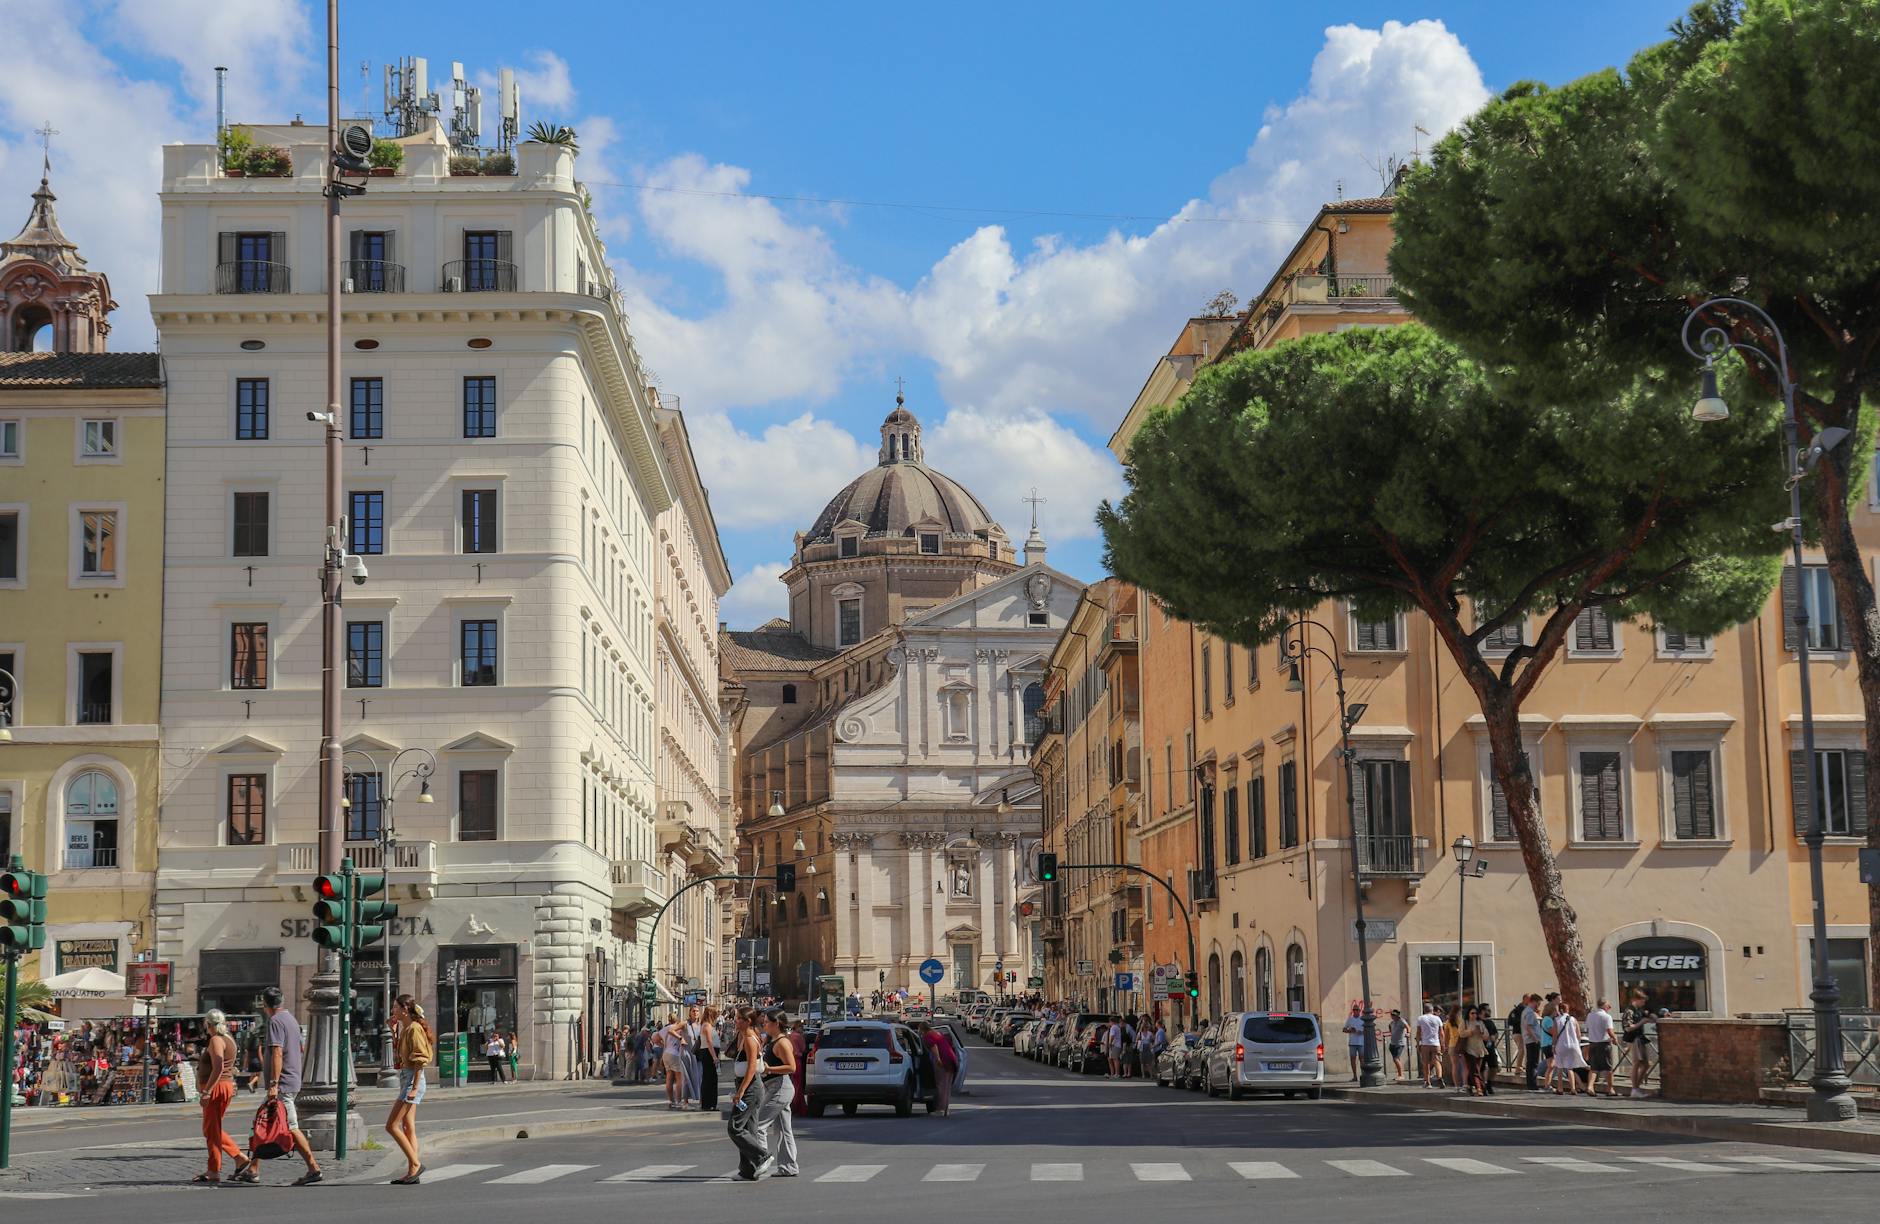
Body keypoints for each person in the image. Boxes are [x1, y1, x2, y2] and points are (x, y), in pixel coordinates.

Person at [229, 986, 321, 1186]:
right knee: (261, 1121)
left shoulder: (275, 1022)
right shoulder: (292, 1019)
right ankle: (253, 1169)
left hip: (283, 1084)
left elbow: (277, 1052)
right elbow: (301, 1048)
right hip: (291, 1079)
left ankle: (313, 1168)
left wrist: (273, 1083)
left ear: (265, 1004)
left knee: (290, 1126)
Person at [386, 994, 434, 1185]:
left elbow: (419, 1060)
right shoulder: (407, 1028)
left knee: (391, 1126)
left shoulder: (414, 1029)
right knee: (408, 1125)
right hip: (408, 1078)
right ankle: (412, 1170)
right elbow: (402, 1055)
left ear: (405, 1010)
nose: (393, 1011)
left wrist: (413, 1088)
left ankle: (416, 1163)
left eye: (395, 1007)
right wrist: (393, 1031)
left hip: (413, 1080)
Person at [192, 1010, 244, 1183]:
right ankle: (238, 1158)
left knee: (211, 1130)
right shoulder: (229, 1039)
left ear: (209, 1024)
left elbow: (219, 1066)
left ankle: (216, 1169)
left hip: (216, 1087)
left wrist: (207, 1091)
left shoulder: (216, 1040)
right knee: (213, 1128)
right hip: (225, 1085)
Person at [753, 1010, 799, 1178]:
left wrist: (769, 1068)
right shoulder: (771, 1040)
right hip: (774, 1086)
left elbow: (791, 1067)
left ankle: (761, 1160)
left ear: (776, 1023)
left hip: (780, 1086)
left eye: (766, 1022)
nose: (763, 1024)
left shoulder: (782, 1043)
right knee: (783, 1129)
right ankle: (789, 1167)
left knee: (758, 1125)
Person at [728, 1010, 769, 1180]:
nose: (735, 1021)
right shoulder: (745, 1035)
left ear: (747, 1021)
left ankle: (762, 1156)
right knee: (748, 1129)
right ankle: (748, 1170)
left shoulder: (751, 1039)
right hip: (748, 1085)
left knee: (735, 1127)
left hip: (751, 1087)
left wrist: (741, 1091)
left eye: (738, 1019)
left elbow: (752, 1067)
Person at [919, 1021, 958, 1117]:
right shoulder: (937, 1033)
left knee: (941, 1085)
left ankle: (940, 1109)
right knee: (947, 1086)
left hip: (943, 1061)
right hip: (951, 1060)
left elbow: (934, 1046)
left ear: (922, 1029)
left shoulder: (927, 1036)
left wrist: (938, 1059)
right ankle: (945, 1110)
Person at [1622, 990, 1653, 1099]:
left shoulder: (1638, 1011)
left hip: (1639, 1038)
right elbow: (1628, 1028)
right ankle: (1635, 1089)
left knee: (1645, 1064)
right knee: (1636, 1063)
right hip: (1634, 1039)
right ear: (1636, 1000)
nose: (1643, 1003)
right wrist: (1642, 1022)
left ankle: (1636, 1088)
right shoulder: (1629, 1011)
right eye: (1642, 1001)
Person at [1552, 1003, 1588, 1095]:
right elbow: (1578, 1034)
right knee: (1570, 1068)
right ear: (1567, 1010)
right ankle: (1573, 1088)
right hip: (1573, 1045)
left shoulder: (1556, 1020)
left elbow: (1555, 1035)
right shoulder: (1573, 1019)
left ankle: (1560, 1088)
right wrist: (1577, 1043)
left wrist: (1553, 1046)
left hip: (1561, 1045)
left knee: (1560, 1067)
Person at [1585, 997, 1615, 1097]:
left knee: (1594, 1067)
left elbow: (1587, 1028)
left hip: (1592, 1043)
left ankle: (1590, 1086)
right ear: (1604, 1005)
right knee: (1608, 1068)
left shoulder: (1590, 1015)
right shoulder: (1607, 1017)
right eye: (1608, 1005)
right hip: (1604, 1043)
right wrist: (1615, 1039)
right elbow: (1609, 1031)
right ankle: (1610, 1089)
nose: (1610, 1007)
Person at [660, 1014, 689, 1109]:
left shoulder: (665, 1028)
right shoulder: (679, 1028)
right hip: (675, 1054)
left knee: (669, 1077)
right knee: (679, 1078)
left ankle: (670, 1100)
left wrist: (662, 1044)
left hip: (666, 1053)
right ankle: (678, 1100)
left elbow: (655, 1038)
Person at [696, 1006, 721, 1111]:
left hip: (711, 1052)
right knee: (708, 1078)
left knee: (712, 1078)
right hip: (708, 1053)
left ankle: (712, 1103)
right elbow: (709, 1042)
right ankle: (707, 1103)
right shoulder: (706, 1026)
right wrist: (714, 1057)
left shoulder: (710, 1025)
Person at [1461, 1006, 1489, 1095]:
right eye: (1472, 1013)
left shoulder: (1480, 1023)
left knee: (1474, 1069)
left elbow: (1486, 1036)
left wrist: (1481, 1033)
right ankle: (1480, 1088)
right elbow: (1461, 1033)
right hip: (1469, 1049)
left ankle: (1469, 1086)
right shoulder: (1465, 1022)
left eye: (1476, 1013)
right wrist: (1471, 1032)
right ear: (1468, 1014)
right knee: (1475, 1069)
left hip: (1479, 1049)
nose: (1474, 1015)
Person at [1414, 1004, 1443, 1088]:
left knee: (1425, 1063)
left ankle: (1427, 1082)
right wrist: (1442, 1044)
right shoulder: (1437, 1018)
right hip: (1436, 1043)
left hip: (1425, 1043)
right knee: (1437, 1061)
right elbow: (1441, 1033)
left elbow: (1418, 1032)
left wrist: (1418, 1042)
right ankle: (1440, 1077)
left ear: (1424, 1010)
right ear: (1432, 1010)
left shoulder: (1421, 1018)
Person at [1519, 994, 1544, 1091]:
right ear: (1533, 1002)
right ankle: (1533, 1085)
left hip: (1530, 1040)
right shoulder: (1529, 1012)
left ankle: (1531, 1084)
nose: (1538, 1006)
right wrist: (1535, 1038)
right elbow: (1528, 1026)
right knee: (1533, 1063)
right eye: (1538, 1003)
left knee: (1531, 1063)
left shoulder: (1526, 1011)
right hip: (1532, 1040)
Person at [1341, 1005, 1365, 1081]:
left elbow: (1367, 1031)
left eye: (1357, 1010)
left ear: (1359, 1011)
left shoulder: (1363, 1019)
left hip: (1361, 1042)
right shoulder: (1350, 1019)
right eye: (1354, 1010)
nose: (1355, 1011)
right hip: (1352, 1042)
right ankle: (1355, 1076)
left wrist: (1360, 1032)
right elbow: (1344, 1029)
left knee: (1362, 1059)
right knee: (1353, 1059)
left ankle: (1363, 1075)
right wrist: (1350, 1031)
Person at [1386, 1009, 1408, 1081]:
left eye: (1394, 1015)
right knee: (1396, 1059)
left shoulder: (1401, 1021)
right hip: (1393, 1043)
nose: (1393, 1016)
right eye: (1392, 1015)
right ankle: (1399, 1074)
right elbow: (1390, 1027)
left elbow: (1408, 1027)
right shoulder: (1392, 1023)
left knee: (1396, 1059)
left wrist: (1408, 1033)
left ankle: (1401, 1075)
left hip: (1400, 1043)